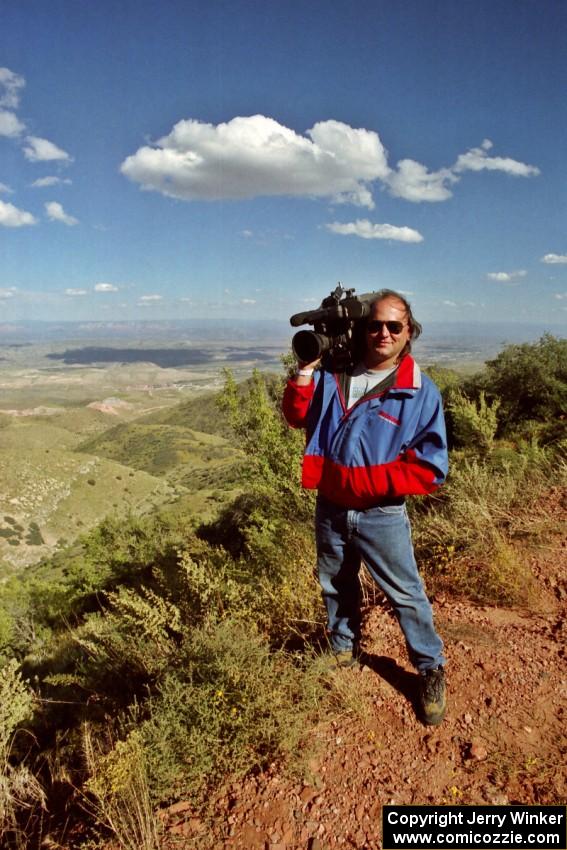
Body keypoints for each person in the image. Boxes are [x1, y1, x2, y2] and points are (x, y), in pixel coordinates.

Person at [282, 289, 449, 725]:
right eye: (375, 324)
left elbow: (432, 469)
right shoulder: (334, 373)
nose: (383, 333)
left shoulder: (418, 391)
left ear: (409, 332)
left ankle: (430, 669)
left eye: (395, 326)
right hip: (331, 505)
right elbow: (296, 416)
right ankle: (343, 649)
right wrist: (304, 372)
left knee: (406, 594)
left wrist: (371, 483)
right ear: (362, 328)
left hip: (382, 512)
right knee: (335, 583)